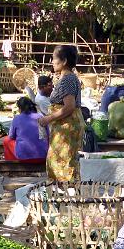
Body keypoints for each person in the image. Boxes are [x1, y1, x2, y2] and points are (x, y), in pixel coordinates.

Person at [38, 45, 84, 180]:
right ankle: (66, 194)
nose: (52, 61)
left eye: (54, 58)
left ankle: (66, 195)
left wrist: (48, 119)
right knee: (64, 161)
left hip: (67, 127)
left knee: (62, 162)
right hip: (67, 125)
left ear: (64, 61)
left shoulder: (68, 79)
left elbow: (69, 106)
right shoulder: (67, 78)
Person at [3, 97, 48, 162]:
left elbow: (11, 136)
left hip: (24, 158)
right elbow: (47, 135)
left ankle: (12, 164)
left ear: (20, 108)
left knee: (6, 140)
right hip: (43, 156)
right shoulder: (40, 117)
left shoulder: (17, 118)